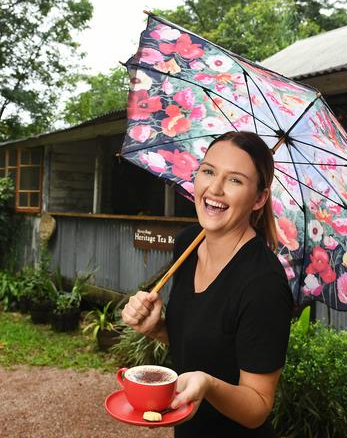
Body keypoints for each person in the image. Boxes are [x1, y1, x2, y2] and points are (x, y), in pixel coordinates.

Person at [122, 131, 293, 437]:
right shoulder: (187, 244)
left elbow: (258, 406)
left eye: (235, 180)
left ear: (259, 199)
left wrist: (209, 385)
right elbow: (205, 345)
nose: (214, 189)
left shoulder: (263, 285)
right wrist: (157, 328)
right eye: (209, 171)